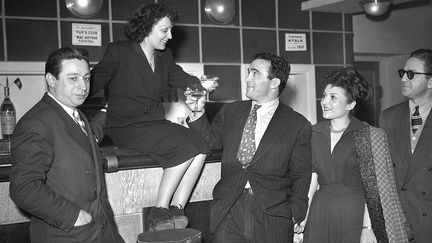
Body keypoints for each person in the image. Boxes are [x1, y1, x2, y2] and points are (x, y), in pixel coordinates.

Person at [90, 3, 218, 231]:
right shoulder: (119, 51)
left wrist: (202, 85)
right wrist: (75, 81)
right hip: (125, 126)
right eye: (164, 30)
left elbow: (180, 76)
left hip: (154, 123)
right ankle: (159, 211)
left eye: (170, 30)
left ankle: (177, 208)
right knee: (186, 146)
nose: (169, 36)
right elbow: (93, 82)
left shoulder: (164, 56)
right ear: (147, 27)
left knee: (201, 147)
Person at [185, 52, 312, 242]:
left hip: (273, 216)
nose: (247, 79)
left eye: (255, 73)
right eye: (248, 72)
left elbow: (301, 175)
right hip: (229, 210)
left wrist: (296, 214)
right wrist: (197, 113)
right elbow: (211, 143)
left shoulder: (298, 125)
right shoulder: (231, 111)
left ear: (275, 82)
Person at [9, 47, 124, 243]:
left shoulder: (73, 113)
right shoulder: (36, 122)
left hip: (102, 232)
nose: (83, 86)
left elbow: (83, 140)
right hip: (69, 235)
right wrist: (75, 216)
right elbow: (24, 188)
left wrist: (108, 109)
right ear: (51, 80)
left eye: (86, 78)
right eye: (73, 78)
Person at [300, 67, 412, 243]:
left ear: (351, 104)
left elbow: (374, 188)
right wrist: (302, 218)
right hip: (320, 212)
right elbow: (311, 182)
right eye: (324, 95)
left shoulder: (369, 135)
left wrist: (368, 228)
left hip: (355, 214)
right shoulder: (313, 133)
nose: (324, 102)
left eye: (333, 97)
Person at [380, 48, 432, 243]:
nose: (403, 78)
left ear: (431, 81)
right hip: (395, 224)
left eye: (411, 74)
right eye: (403, 73)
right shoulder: (388, 116)